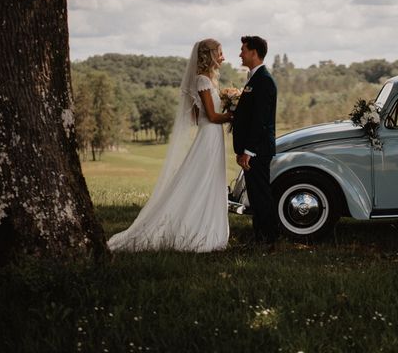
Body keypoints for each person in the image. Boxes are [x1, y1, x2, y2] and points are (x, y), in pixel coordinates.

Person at [108, 39, 233, 252]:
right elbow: (211, 116)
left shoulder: (210, 80)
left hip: (213, 136)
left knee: (211, 179)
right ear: (210, 55)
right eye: (220, 53)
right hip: (209, 136)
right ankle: (196, 228)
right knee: (203, 179)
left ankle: (209, 225)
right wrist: (234, 115)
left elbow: (198, 115)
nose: (223, 57)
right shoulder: (202, 80)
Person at [232, 36, 279, 245]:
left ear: (253, 52)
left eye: (243, 49)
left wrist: (248, 151)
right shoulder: (254, 78)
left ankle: (268, 239)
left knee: (261, 196)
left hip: (258, 150)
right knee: (256, 195)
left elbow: (260, 120)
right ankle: (260, 236)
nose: (240, 53)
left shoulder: (264, 81)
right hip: (254, 150)